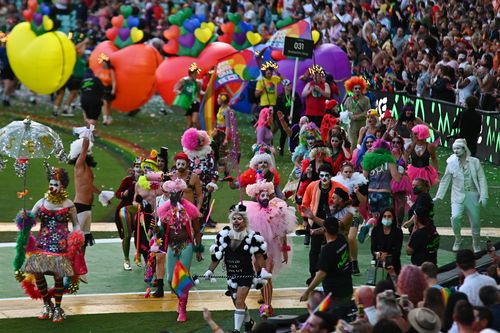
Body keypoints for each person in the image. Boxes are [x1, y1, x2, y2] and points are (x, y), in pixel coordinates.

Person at [22, 168, 82, 322]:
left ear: (63, 186)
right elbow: (30, 220)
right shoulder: (41, 202)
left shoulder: (69, 204)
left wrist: (76, 237)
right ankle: (47, 304)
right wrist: (24, 217)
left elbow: (76, 225)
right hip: (41, 245)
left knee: (58, 276)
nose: (52, 187)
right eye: (51, 183)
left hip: (61, 247)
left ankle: (58, 308)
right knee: (38, 273)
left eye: (55, 184)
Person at [204, 204, 270, 333]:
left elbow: (259, 256)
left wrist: (262, 271)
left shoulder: (252, 237)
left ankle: (236, 330)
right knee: (237, 303)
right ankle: (249, 322)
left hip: (246, 275)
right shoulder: (224, 236)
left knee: (239, 301)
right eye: (234, 218)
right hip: (231, 276)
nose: (236, 221)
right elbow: (217, 256)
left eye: (239, 219)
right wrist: (210, 270)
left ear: (245, 221)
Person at [244, 177, 297, 317]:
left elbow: (283, 230)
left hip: (271, 247)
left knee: (266, 274)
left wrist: (285, 250)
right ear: (256, 196)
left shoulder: (276, 209)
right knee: (259, 274)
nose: (265, 197)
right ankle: (264, 298)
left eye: (267, 195)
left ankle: (267, 305)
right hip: (256, 249)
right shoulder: (250, 211)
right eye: (262, 195)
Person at [69, 126, 112, 283]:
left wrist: (101, 194)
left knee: (85, 241)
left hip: (87, 209)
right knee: (76, 241)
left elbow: (88, 185)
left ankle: (80, 269)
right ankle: (71, 269)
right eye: (84, 151)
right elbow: (85, 148)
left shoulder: (86, 168)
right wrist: (87, 134)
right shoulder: (79, 165)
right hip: (79, 208)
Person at [153, 179, 201, 319]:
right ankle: (181, 296)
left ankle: (182, 309)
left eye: (177, 193)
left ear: (181, 192)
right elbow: (161, 230)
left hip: (186, 245)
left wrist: (198, 248)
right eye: (171, 193)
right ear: (168, 193)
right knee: (169, 279)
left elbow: (197, 231)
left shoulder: (190, 209)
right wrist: (157, 232)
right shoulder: (164, 210)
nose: (174, 195)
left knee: (182, 276)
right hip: (171, 246)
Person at [434, 139, 488, 253]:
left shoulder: (475, 162)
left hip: (473, 195)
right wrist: (439, 196)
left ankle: (476, 243)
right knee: (455, 217)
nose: (456, 151)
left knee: (476, 222)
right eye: (454, 149)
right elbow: (445, 180)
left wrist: (484, 196)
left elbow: (482, 178)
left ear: (464, 149)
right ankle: (458, 239)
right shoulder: (451, 163)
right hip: (457, 195)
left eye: (458, 148)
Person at [301, 164, 348, 283]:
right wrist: (305, 219)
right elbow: (305, 203)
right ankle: (313, 274)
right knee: (314, 249)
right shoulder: (312, 186)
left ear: (331, 176)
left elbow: (347, 201)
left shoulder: (339, 188)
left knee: (334, 248)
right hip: (316, 220)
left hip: (333, 222)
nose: (324, 178)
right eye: (321, 175)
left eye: (327, 175)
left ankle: (335, 272)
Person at [300, 216, 353, 308]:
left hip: (335, 295)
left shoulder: (327, 250)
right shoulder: (342, 239)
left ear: (324, 230)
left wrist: (307, 292)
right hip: (347, 289)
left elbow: (321, 274)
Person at [332, 161, 368, 275]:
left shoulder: (360, 182)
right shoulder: (337, 183)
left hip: (354, 211)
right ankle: (344, 261)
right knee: (341, 237)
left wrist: (357, 192)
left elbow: (364, 201)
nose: (348, 174)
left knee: (351, 238)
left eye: (350, 172)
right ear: (341, 172)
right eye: (345, 172)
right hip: (341, 213)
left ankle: (354, 262)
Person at [181, 128, 218, 228]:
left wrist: (213, 181)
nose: (201, 143)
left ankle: (206, 219)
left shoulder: (208, 153)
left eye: (202, 140)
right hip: (192, 184)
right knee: (193, 202)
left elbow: (213, 166)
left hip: (206, 183)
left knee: (206, 200)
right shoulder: (188, 155)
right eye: (198, 141)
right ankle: (194, 219)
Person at [115, 157, 142, 271]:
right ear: (133, 169)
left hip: (139, 210)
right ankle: (126, 259)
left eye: (140, 167)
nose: (139, 169)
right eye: (136, 166)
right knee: (127, 234)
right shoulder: (127, 180)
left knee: (141, 234)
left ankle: (139, 256)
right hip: (126, 209)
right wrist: (123, 194)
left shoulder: (146, 181)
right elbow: (118, 193)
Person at [54, 39, 88, 117]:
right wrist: (84, 42)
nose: (82, 50)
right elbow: (75, 49)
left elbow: (81, 51)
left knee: (72, 93)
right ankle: (60, 109)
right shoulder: (74, 55)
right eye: (81, 48)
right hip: (72, 77)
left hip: (73, 77)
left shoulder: (82, 57)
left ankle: (61, 109)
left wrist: (85, 43)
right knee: (66, 93)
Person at [371, 208, 404, 274]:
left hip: (393, 264)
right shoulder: (375, 231)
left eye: (389, 216)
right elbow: (373, 249)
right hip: (378, 264)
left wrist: (387, 255)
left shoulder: (398, 232)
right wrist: (378, 254)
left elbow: (397, 251)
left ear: (393, 218)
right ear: (381, 218)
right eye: (384, 216)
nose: (386, 218)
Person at [173, 62, 204, 129]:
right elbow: (175, 89)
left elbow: (199, 93)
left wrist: (205, 93)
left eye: (196, 73)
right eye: (194, 73)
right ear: (191, 73)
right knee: (190, 123)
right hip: (186, 102)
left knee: (195, 120)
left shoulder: (198, 82)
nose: (196, 75)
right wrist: (179, 92)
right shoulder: (184, 80)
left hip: (195, 102)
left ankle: (202, 134)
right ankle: (188, 138)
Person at [343, 76, 371, 146]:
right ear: (352, 89)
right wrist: (349, 117)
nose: (357, 90)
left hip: (362, 125)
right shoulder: (348, 100)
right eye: (356, 88)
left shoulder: (366, 99)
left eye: (359, 88)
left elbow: (368, 112)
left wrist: (357, 117)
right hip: (351, 127)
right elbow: (345, 112)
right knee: (352, 144)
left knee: (363, 144)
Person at [212, 92, 233, 178]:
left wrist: (225, 138)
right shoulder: (220, 108)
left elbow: (228, 125)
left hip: (223, 133)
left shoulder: (226, 110)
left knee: (222, 154)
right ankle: (217, 172)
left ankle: (227, 174)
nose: (217, 100)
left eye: (219, 98)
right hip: (218, 132)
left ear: (223, 99)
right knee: (216, 152)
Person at [94, 53, 116, 126]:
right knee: (104, 103)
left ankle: (109, 117)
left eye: (103, 62)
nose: (103, 63)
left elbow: (113, 81)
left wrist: (113, 90)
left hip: (108, 89)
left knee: (109, 104)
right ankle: (105, 118)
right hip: (102, 88)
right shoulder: (101, 70)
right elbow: (97, 78)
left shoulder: (111, 71)